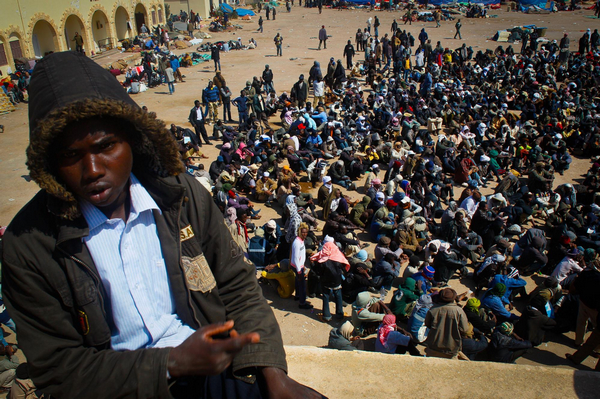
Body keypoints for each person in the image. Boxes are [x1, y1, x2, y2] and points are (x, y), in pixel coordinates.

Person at [2, 52, 320, 398]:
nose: (92, 169)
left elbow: (236, 283)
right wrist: (171, 363)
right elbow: (60, 371)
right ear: (49, 161)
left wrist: (273, 375)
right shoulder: (29, 243)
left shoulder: (179, 194)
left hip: (211, 367)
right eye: (70, 155)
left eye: (105, 146)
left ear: (133, 140)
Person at [424, 288, 470, 359]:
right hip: (451, 347)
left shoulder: (433, 310)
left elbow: (427, 324)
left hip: (434, 345)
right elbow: (465, 330)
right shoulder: (459, 311)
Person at [291, 224, 313, 310]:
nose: (305, 234)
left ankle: (297, 295)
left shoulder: (301, 241)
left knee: (297, 281)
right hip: (297, 266)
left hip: (299, 266)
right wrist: (299, 271)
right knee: (302, 284)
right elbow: (296, 257)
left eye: (306, 232)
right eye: (303, 232)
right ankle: (302, 303)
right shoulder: (297, 242)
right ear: (299, 232)